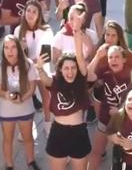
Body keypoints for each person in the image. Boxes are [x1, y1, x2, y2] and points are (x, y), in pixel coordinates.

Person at [35, 18, 91, 170]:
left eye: (73, 68)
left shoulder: (81, 79)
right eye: (66, 68)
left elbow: (79, 55)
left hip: (78, 132)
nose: (70, 71)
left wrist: (77, 31)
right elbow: (46, 80)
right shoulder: (55, 81)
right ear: (60, 69)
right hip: (58, 131)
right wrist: (39, 68)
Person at [0, 35, 41, 170]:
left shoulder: (28, 65)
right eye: (6, 48)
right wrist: (6, 95)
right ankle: (9, 165)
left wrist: (23, 98)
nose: (10, 51)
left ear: (19, 49)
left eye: (13, 47)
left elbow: (32, 88)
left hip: (25, 108)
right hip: (6, 110)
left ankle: (31, 161)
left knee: (28, 137)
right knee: (7, 139)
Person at [85, 43, 132, 170]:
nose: (113, 60)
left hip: (126, 122)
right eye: (110, 57)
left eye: (117, 57)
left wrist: (121, 111)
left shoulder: (131, 76)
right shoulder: (105, 72)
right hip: (106, 119)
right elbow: (89, 75)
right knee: (96, 152)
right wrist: (97, 56)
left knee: (124, 158)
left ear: (124, 59)